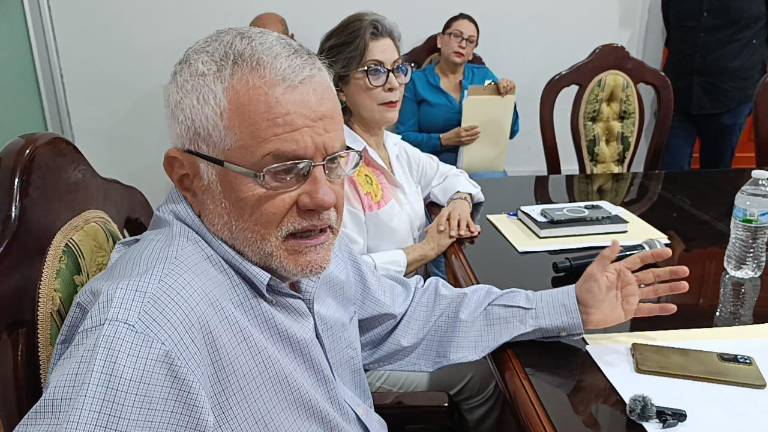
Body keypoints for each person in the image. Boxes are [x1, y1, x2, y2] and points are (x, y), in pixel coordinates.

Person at [17, 27, 689, 431]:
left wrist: (569, 306)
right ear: (189, 176)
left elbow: (410, 313)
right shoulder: (143, 330)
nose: (324, 199)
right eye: (283, 171)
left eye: (334, 161)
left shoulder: (286, 248)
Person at [318, 12, 505, 430]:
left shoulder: (393, 147)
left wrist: (459, 201)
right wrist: (423, 251)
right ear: (340, 87)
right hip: (363, 344)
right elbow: (342, 279)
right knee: (482, 372)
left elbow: (453, 176)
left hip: (404, 316)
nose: (393, 84)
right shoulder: (336, 167)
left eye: (398, 69)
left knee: (494, 332)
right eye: (374, 71)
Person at [396, 13, 520, 171]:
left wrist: (508, 99)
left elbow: (511, 132)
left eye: (470, 41)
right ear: (440, 40)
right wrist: (442, 140)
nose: (462, 44)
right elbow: (404, 138)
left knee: (496, 183)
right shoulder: (416, 82)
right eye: (456, 36)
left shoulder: (484, 77)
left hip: (480, 165)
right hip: (432, 167)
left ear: (472, 52)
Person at [660, 1, 768, 171]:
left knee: (715, 175)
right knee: (669, 173)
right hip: (678, 91)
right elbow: (671, 27)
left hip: (731, 96)